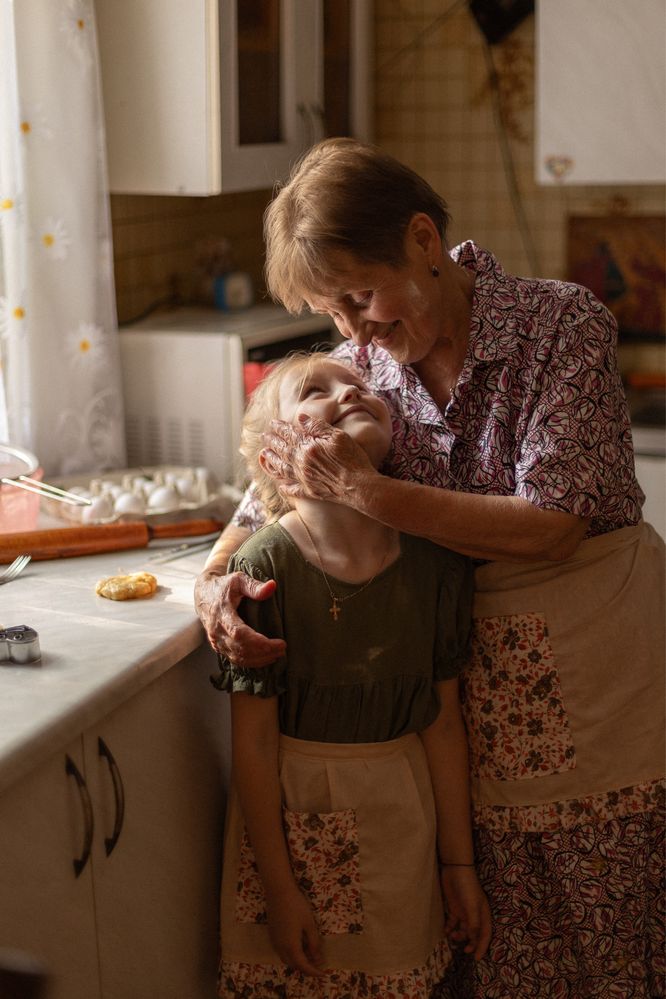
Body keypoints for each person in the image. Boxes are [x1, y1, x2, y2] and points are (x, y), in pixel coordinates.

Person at [196, 138, 665, 998]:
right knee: (495, 953)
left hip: (599, 690)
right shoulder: (369, 369)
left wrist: (373, 496)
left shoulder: (561, 326)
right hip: (469, 717)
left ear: (422, 240)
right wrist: (214, 581)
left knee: (611, 945)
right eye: (335, 312)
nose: (355, 331)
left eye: (362, 296)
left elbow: (554, 524)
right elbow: (272, 498)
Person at [212, 350, 491, 998]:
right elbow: (252, 744)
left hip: (402, 837)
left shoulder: (434, 567)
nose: (349, 390)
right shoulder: (264, 567)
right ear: (271, 458)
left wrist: (459, 863)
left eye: (361, 384)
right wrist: (280, 892)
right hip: (291, 850)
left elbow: (443, 725)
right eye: (316, 389)